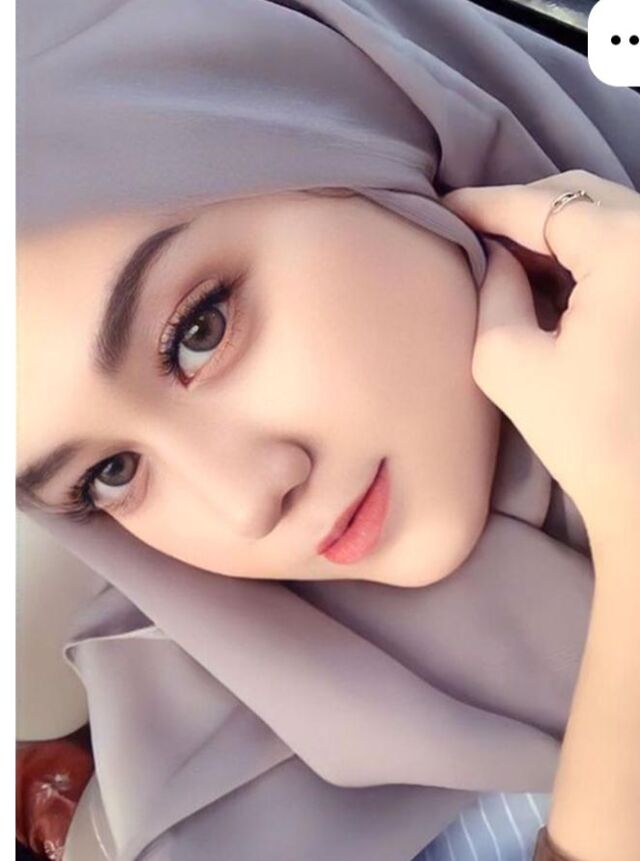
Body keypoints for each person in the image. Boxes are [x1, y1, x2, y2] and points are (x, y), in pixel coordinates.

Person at [15, 1, 640, 859]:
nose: (245, 504)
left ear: (359, 122)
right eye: (110, 473)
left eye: (200, 332)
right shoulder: (211, 814)